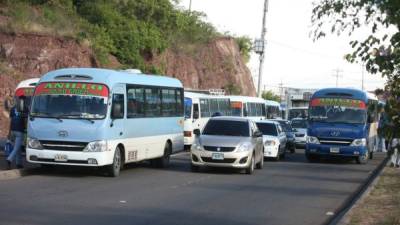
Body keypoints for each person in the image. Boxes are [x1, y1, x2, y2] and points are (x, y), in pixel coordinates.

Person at [5, 97, 26, 170]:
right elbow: (26, 120)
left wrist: (9, 132)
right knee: (17, 148)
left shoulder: (13, 109)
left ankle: (19, 163)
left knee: (18, 148)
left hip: (13, 130)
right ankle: (9, 160)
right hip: (20, 130)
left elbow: (11, 121)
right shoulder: (25, 108)